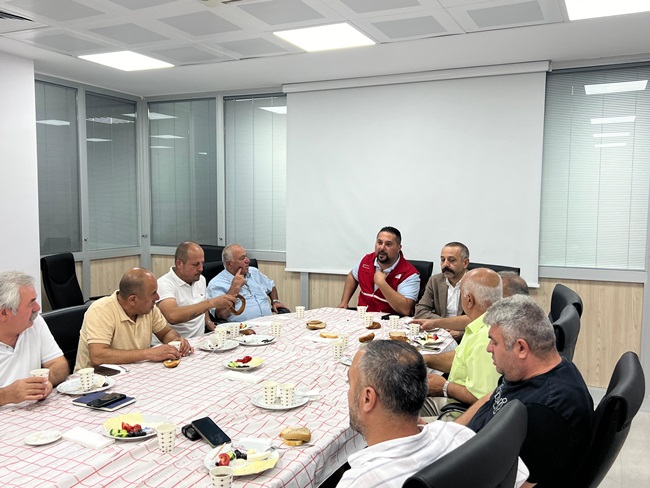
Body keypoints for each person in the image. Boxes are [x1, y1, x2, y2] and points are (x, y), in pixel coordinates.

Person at [338, 339, 528, 488]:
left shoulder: (359, 482)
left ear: (368, 398)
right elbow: (519, 481)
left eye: (350, 384)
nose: (348, 392)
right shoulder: (458, 435)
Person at [457, 295, 594, 488]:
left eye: (494, 342)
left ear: (521, 348)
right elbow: (492, 397)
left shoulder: (545, 412)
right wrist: (453, 431)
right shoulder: (525, 371)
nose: (488, 348)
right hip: (464, 447)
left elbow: (519, 484)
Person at [414, 268, 503, 417]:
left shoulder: (485, 339)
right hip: (455, 402)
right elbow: (461, 360)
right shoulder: (484, 322)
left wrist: (444, 387)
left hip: (462, 416)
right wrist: (425, 359)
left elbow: (484, 399)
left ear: (469, 300)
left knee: (400, 407)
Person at [74, 268, 192, 371]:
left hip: (134, 372)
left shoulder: (149, 309)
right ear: (133, 300)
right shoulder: (101, 310)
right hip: (96, 381)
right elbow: (98, 357)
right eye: (153, 293)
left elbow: (166, 333)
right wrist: (149, 353)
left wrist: (176, 341)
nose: (157, 298)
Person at [0, 271, 69, 406]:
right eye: (31, 303)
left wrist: (46, 381)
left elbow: (60, 364)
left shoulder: (35, 323)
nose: (37, 308)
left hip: (34, 410)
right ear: (4, 313)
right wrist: (6, 395)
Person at [157, 242, 235, 338]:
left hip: (200, 340)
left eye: (202, 263)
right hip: (175, 342)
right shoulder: (164, 284)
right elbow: (172, 316)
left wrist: (208, 322)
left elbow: (201, 304)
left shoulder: (200, 279)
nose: (201, 268)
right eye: (196, 264)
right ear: (179, 264)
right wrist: (212, 303)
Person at [338, 226, 420, 316]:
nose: (382, 248)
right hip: (362, 317)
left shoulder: (409, 274)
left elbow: (406, 309)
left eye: (388, 244)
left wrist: (381, 283)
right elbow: (352, 276)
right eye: (379, 242)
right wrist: (344, 302)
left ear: (398, 248)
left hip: (389, 321)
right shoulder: (366, 260)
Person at [206, 244, 287, 323]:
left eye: (246, 256)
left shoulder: (253, 272)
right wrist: (235, 287)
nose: (248, 260)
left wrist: (275, 301)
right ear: (229, 264)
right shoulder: (216, 284)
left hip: (269, 322)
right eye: (242, 258)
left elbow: (271, 286)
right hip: (243, 328)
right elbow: (221, 315)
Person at [414, 242, 472, 340]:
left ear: (465, 263)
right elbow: (420, 310)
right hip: (440, 333)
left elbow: (482, 318)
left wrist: (461, 333)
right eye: (442, 260)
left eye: (451, 260)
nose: (445, 264)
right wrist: (445, 324)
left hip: (466, 337)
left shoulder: (476, 283)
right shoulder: (435, 280)